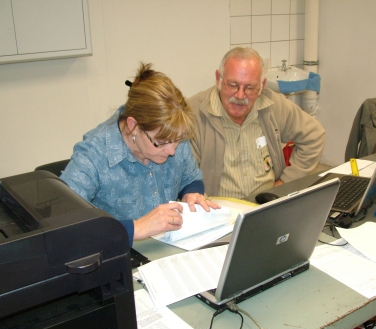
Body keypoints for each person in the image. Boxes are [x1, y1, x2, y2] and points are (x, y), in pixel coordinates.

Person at [61, 63, 219, 245]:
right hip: (118, 256)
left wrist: (191, 194)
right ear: (133, 126)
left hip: (168, 247)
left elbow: (190, 178)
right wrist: (137, 227)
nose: (172, 150)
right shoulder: (94, 154)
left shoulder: (172, 133)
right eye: (161, 143)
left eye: (178, 140)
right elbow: (64, 226)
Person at [188, 47, 326, 199]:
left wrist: (285, 183)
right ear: (218, 79)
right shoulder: (193, 114)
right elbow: (185, 177)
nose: (240, 95)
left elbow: (314, 135)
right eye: (233, 85)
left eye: (249, 87)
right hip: (218, 213)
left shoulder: (273, 105)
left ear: (262, 86)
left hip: (266, 207)